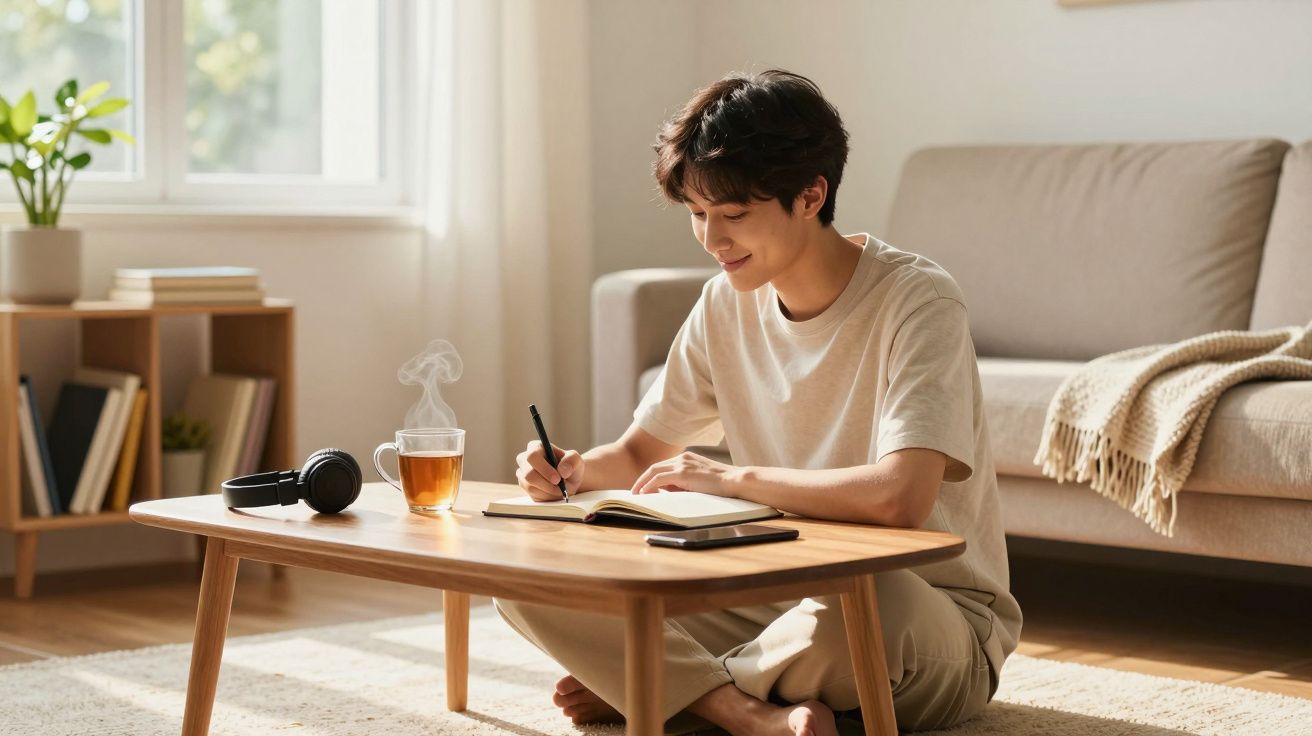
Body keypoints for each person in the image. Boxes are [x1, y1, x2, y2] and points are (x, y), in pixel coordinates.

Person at [494, 69, 1021, 736]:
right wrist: (568, 469)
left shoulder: (918, 300)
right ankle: (741, 710)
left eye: (734, 215)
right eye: (697, 215)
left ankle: (654, 686)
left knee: (855, 610)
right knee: (527, 574)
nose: (713, 242)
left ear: (811, 195)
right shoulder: (725, 301)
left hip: (924, 616)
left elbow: (900, 500)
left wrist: (727, 479)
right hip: (776, 595)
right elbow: (635, 454)